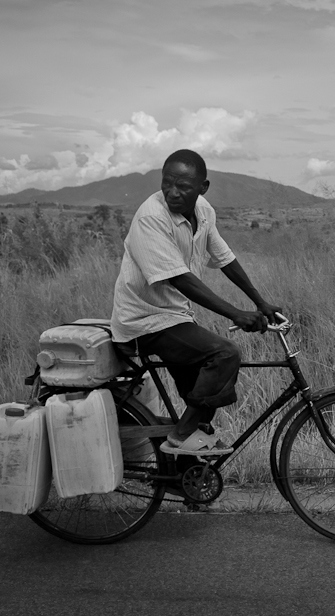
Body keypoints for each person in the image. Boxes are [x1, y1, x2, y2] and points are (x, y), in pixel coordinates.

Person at [110, 149, 281, 456]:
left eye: (184, 187)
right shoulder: (151, 218)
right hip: (145, 320)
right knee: (225, 354)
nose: (173, 193)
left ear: (203, 188)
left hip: (174, 316)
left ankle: (185, 472)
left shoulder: (203, 211)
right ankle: (178, 438)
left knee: (201, 402)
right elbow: (181, 279)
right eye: (167, 184)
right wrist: (236, 314)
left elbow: (225, 258)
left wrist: (261, 302)